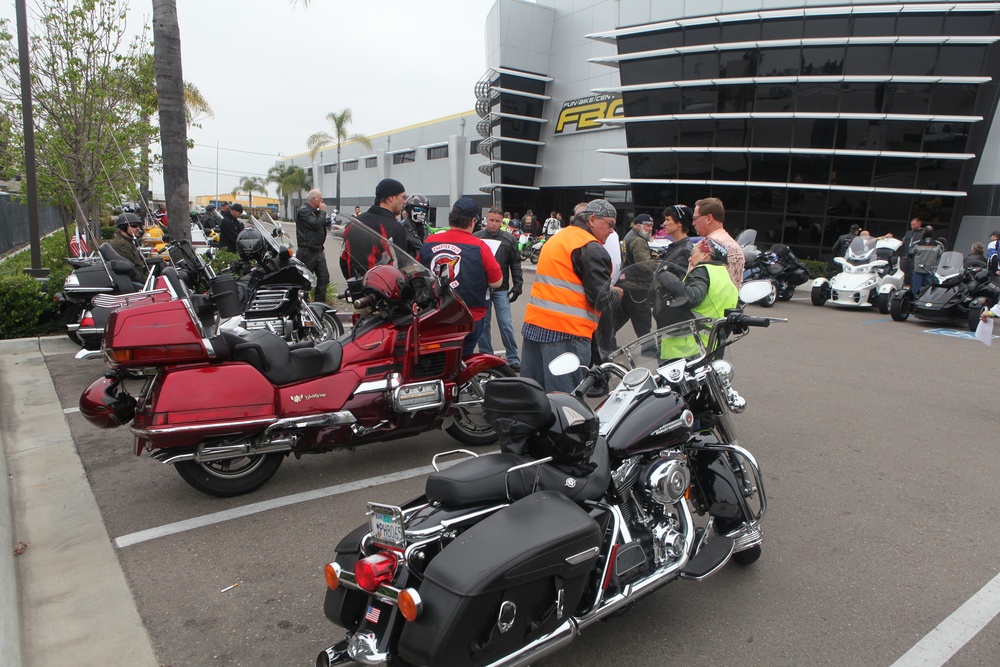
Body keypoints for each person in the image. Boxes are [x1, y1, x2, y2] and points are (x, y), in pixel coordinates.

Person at [521, 199, 623, 394]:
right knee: (566, 402)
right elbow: (601, 298)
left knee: (533, 397)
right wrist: (616, 293)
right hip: (567, 333)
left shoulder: (559, 237)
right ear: (592, 220)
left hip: (535, 326)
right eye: (609, 224)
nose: (611, 231)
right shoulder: (591, 248)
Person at [418, 198, 503, 356]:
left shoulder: (429, 242)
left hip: (436, 314)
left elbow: (418, 274)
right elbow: (497, 282)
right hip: (469, 316)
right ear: (473, 221)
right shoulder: (480, 247)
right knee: (463, 359)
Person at [652, 237, 739, 361]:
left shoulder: (703, 271)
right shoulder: (727, 280)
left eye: (693, 253)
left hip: (683, 349)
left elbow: (692, 296)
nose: (689, 258)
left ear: (705, 255)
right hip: (710, 347)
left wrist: (667, 277)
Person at [475, 207, 524, 371]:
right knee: (483, 324)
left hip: (501, 288)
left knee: (506, 323)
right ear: (486, 220)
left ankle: (513, 357)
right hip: (482, 289)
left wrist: (518, 284)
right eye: (491, 220)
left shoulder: (509, 240)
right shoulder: (476, 238)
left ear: (502, 222)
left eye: (497, 221)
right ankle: (486, 356)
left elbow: (515, 264)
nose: (494, 224)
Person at [342, 178, 408, 279]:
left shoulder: (354, 222)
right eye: (403, 197)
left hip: (356, 287)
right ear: (391, 198)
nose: (405, 201)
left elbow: (343, 259)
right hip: (382, 289)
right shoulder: (394, 228)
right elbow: (400, 267)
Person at [618, 214, 655, 347]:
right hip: (637, 286)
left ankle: (605, 343)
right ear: (638, 226)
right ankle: (649, 349)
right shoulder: (638, 241)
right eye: (648, 225)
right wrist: (660, 264)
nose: (651, 228)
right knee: (643, 320)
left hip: (627, 283)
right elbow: (644, 265)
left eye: (652, 225)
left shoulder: (629, 236)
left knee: (620, 317)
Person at [692, 197, 744, 288]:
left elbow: (692, 287)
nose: (693, 223)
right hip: (731, 301)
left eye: (695, 218)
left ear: (709, 218)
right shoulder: (737, 248)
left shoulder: (704, 247)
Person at [295, 189, 332, 303]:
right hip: (307, 251)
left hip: (318, 250)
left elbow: (321, 226)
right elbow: (315, 225)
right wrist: (322, 212)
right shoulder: (304, 211)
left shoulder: (315, 212)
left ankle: (319, 304)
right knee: (305, 280)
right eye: (320, 198)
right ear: (313, 199)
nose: (322, 200)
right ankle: (302, 304)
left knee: (324, 278)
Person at [108, 212, 149, 282]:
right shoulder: (122, 244)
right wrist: (146, 280)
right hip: (134, 282)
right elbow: (130, 271)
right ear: (123, 227)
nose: (138, 228)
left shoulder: (129, 241)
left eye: (139, 225)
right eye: (134, 226)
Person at [657, 204, 695, 278]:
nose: (664, 223)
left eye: (668, 219)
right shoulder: (676, 246)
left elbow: (678, 282)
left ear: (679, 223)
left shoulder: (685, 250)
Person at [911, 226, 943, 296]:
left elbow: (911, 253)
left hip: (918, 269)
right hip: (930, 269)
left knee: (916, 287)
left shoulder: (917, 244)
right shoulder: (938, 245)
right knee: (929, 288)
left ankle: (915, 300)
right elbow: (940, 255)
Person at [897, 217, 924, 288]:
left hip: (915, 257)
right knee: (901, 272)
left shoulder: (923, 233)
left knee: (914, 273)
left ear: (919, 223)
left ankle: (912, 288)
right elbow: (903, 243)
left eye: (914, 224)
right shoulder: (908, 233)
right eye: (911, 225)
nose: (912, 226)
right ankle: (899, 286)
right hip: (906, 255)